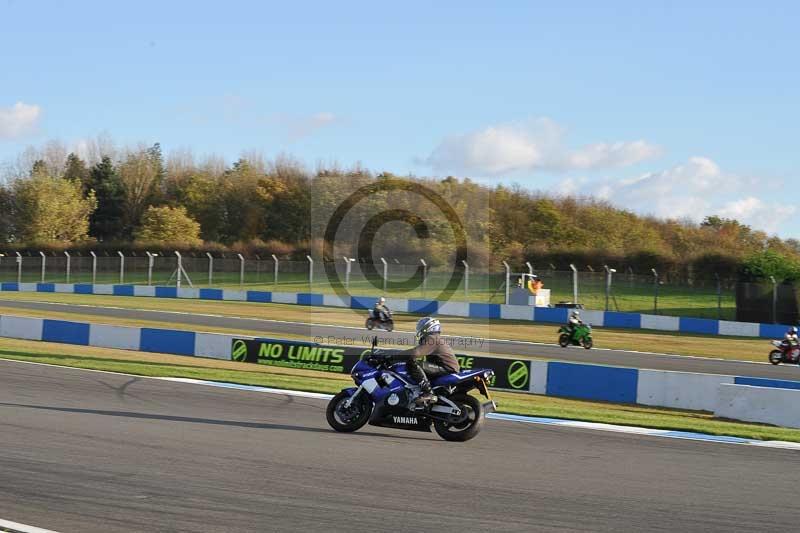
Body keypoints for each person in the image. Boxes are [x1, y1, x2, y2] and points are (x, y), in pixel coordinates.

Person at [393, 317, 460, 405]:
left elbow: (415, 353)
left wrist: (395, 356)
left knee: (412, 363)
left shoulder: (432, 338)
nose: (418, 329)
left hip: (446, 368)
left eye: (420, 326)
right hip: (446, 367)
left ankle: (428, 392)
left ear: (427, 327)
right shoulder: (435, 338)